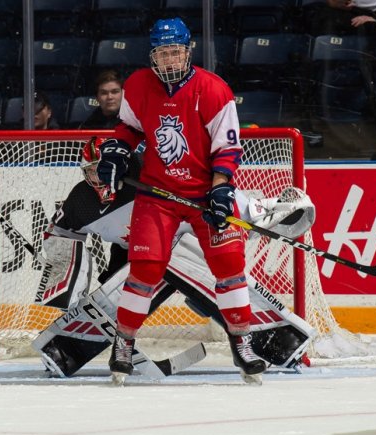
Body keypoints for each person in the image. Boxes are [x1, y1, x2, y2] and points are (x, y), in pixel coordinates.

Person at [33, 137, 317, 380]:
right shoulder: (81, 202)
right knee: (121, 289)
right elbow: (61, 232)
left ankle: (277, 341)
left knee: (199, 265)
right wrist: (67, 282)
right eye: (92, 171)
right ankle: (68, 349)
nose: (100, 177)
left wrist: (266, 210)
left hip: (187, 241)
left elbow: (212, 193)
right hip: (135, 251)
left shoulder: (151, 171)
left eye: (105, 169)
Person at [93, 17, 264, 385]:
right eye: (163, 53)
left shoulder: (213, 90)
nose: (170, 60)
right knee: (146, 270)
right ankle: (122, 343)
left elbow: (228, 146)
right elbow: (129, 127)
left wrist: (220, 188)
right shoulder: (138, 85)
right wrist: (116, 153)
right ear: (152, 56)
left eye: (176, 52)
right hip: (158, 195)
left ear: (188, 52)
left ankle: (241, 342)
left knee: (229, 265)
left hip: (205, 194)